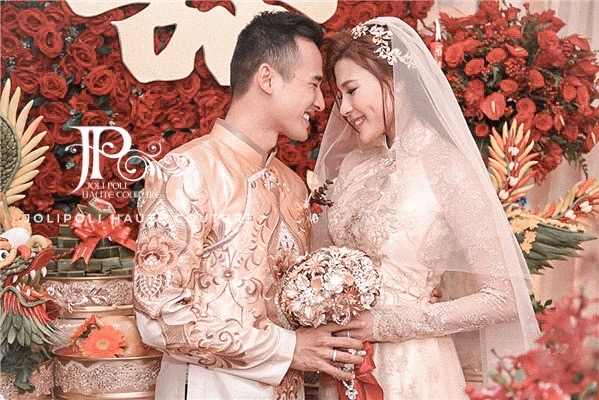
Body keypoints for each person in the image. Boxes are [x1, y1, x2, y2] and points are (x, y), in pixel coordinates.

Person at [133, 11, 364, 400]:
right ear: (267, 78)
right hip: (207, 390)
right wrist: (288, 348)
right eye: (313, 84)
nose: (321, 102)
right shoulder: (188, 169)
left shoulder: (292, 186)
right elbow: (158, 315)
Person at [312, 17, 541, 399]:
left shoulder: (446, 165)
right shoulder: (354, 164)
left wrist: (387, 324)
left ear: (397, 80)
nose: (345, 108)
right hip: (344, 368)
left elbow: (504, 297)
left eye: (352, 90)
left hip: (415, 369)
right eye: (339, 97)